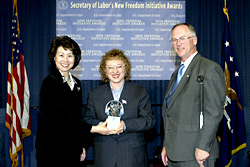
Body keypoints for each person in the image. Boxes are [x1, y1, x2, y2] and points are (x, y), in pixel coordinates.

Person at [35, 36, 109, 167]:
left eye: (70, 55)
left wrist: (81, 146)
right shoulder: (50, 82)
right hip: (52, 150)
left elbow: (76, 116)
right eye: (61, 55)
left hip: (72, 149)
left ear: (75, 59)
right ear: (54, 57)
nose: (65, 60)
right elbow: (62, 118)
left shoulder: (77, 83)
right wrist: (94, 128)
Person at [161, 23, 226, 167]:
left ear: (194, 40)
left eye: (183, 38)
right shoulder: (176, 74)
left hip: (196, 154)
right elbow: (171, 113)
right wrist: (167, 145)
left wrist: (203, 146)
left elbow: (214, 112)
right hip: (175, 153)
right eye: (174, 40)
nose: (178, 44)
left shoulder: (209, 69)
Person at [83, 49, 156, 167]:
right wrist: (103, 125)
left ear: (126, 69)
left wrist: (125, 125)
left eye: (119, 66)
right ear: (105, 71)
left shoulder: (140, 92)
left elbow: (149, 121)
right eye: (110, 67)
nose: (115, 71)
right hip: (104, 155)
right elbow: (87, 119)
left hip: (132, 155)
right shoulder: (94, 94)